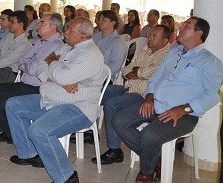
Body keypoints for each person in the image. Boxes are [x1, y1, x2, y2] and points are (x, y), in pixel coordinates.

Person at [113, 17, 223, 183]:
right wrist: (149, 97)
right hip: (155, 104)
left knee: (149, 135)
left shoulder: (209, 62)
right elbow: (155, 78)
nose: (181, 26)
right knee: (119, 120)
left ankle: (147, 172)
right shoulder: (174, 53)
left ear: (198, 33)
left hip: (183, 114)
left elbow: (211, 95)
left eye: (187, 25)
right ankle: (154, 158)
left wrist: (183, 109)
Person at [5, 17, 106, 183]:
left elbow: (58, 72)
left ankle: (66, 177)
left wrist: (55, 68)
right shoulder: (67, 48)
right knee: (13, 105)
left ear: (83, 35)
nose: (65, 32)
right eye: (66, 29)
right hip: (52, 98)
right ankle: (30, 153)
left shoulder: (90, 54)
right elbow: (41, 69)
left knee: (39, 131)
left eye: (70, 30)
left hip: (77, 107)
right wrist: (58, 76)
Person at [91, 25, 171, 165]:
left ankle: (115, 150)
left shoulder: (167, 55)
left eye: (154, 36)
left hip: (142, 94)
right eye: (150, 35)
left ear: (165, 41)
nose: (149, 38)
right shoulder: (146, 52)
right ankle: (87, 130)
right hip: (128, 87)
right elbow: (127, 69)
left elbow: (150, 73)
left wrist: (137, 72)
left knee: (111, 104)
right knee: (98, 91)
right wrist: (137, 72)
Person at [0, 13, 64, 143]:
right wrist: (30, 63)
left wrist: (29, 63)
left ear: (52, 27)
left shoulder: (55, 45)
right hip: (25, 83)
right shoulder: (41, 41)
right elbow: (22, 61)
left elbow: (33, 69)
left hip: (37, 88)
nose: (37, 25)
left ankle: (15, 135)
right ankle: (9, 131)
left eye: (42, 23)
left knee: (1, 104)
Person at [92, 10, 127, 81]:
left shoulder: (118, 43)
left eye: (104, 19)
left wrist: (94, 72)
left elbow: (115, 67)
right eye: (99, 19)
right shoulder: (94, 37)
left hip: (104, 78)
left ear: (113, 23)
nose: (99, 21)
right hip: (88, 73)